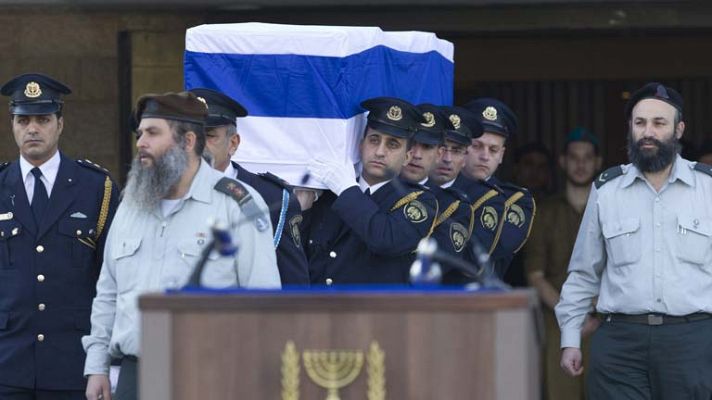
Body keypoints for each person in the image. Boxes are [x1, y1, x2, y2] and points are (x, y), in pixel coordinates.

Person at [83, 92, 280, 400]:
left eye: (153, 133)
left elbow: (264, 301)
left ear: (188, 141)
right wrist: (97, 367)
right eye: (140, 134)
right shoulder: (130, 204)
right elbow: (108, 293)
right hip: (138, 376)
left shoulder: (238, 203)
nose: (140, 143)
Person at [556, 82, 712, 399]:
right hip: (620, 343)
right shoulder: (607, 188)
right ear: (630, 128)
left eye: (659, 123)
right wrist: (570, 337)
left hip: (692, 340)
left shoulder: (707, 188)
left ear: (678, 129)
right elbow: (584, 271)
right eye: (640, 123)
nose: (648, 132)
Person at [0, 73, 119, 399]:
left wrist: (105, 363)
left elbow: (111, 279)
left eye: (43, 119)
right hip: (7, 364)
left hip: (72, 364)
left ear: (60, 124)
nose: (33, 128)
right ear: (12, 125)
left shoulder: (96, 188)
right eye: (23, 120)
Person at [305, 97, 437, 284]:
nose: (380, 152)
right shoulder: (332, 194)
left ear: (407, 157)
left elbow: (384, 239)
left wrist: (346, 189)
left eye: (393, 144)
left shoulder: (420, 201)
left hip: (373, 311)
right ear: (361, 146)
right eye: (374, 140)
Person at [189, 87, 310, 285]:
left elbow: (294, 283)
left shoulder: (272, 198)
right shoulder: (167, 193)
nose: (198, 146)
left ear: (233, 144)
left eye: (209, 136)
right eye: (191, 136)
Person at [525, 127, 602, 400]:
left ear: (598, 162)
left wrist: (591, 312)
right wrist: (572, 314)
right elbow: (535, 275)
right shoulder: (544, 211)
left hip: (603, 320)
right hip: (555, 319)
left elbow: (622, 268)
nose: (580, 164)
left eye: (587, 157)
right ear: (562, 161)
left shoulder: (611, 209)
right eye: (574, 157)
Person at [462, 98, 536, 279]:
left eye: (493, 150)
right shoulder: (439, 185)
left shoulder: (514, 200)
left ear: (501, 155)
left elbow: (482, 253)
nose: (485, 156)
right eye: (477, 146)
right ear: (462, 145)